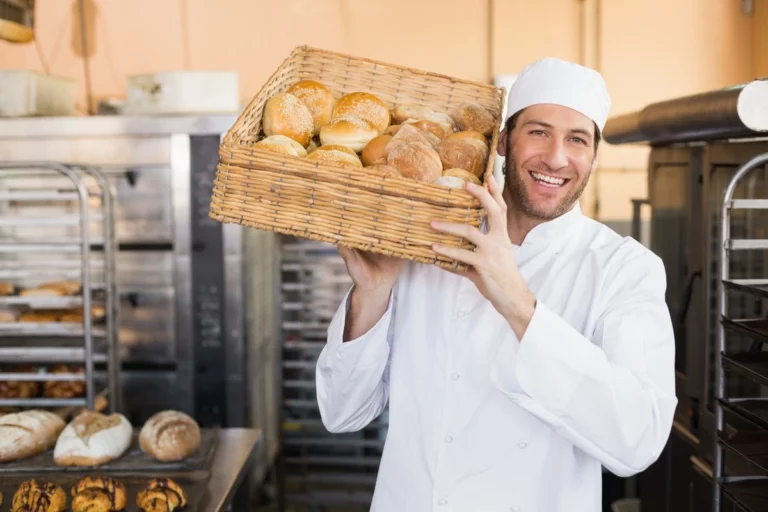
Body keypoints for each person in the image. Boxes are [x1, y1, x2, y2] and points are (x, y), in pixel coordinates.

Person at [315, 57, 677, 512]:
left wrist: (519, 304)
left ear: (595, 156)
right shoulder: (428, 238)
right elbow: (342, 413)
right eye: (539, 132)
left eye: (577, 139)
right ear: (503, 140)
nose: (556, 157)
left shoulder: (623, 269)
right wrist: (371, 293)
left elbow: (637, 442)